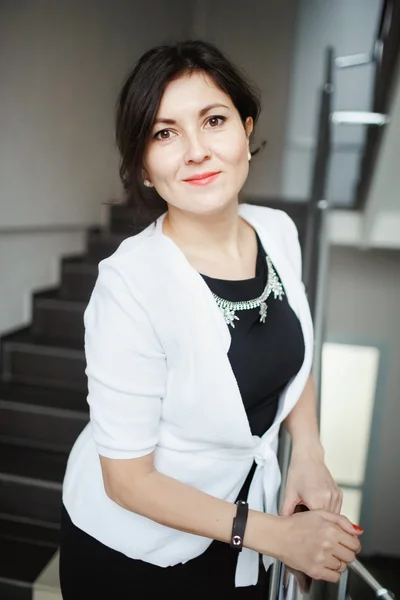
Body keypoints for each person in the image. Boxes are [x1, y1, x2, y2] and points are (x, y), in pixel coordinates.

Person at [59, 40, 363, 599]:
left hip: (244, 530)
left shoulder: (276, 232)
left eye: (214, 120)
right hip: (134, 555)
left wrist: (311, 456)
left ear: (246, 130)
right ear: (145, 168)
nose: (196, 151)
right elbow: (128, 481)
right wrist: (280, 537)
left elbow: (288, 361)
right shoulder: (130, 285)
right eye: (164, 133)